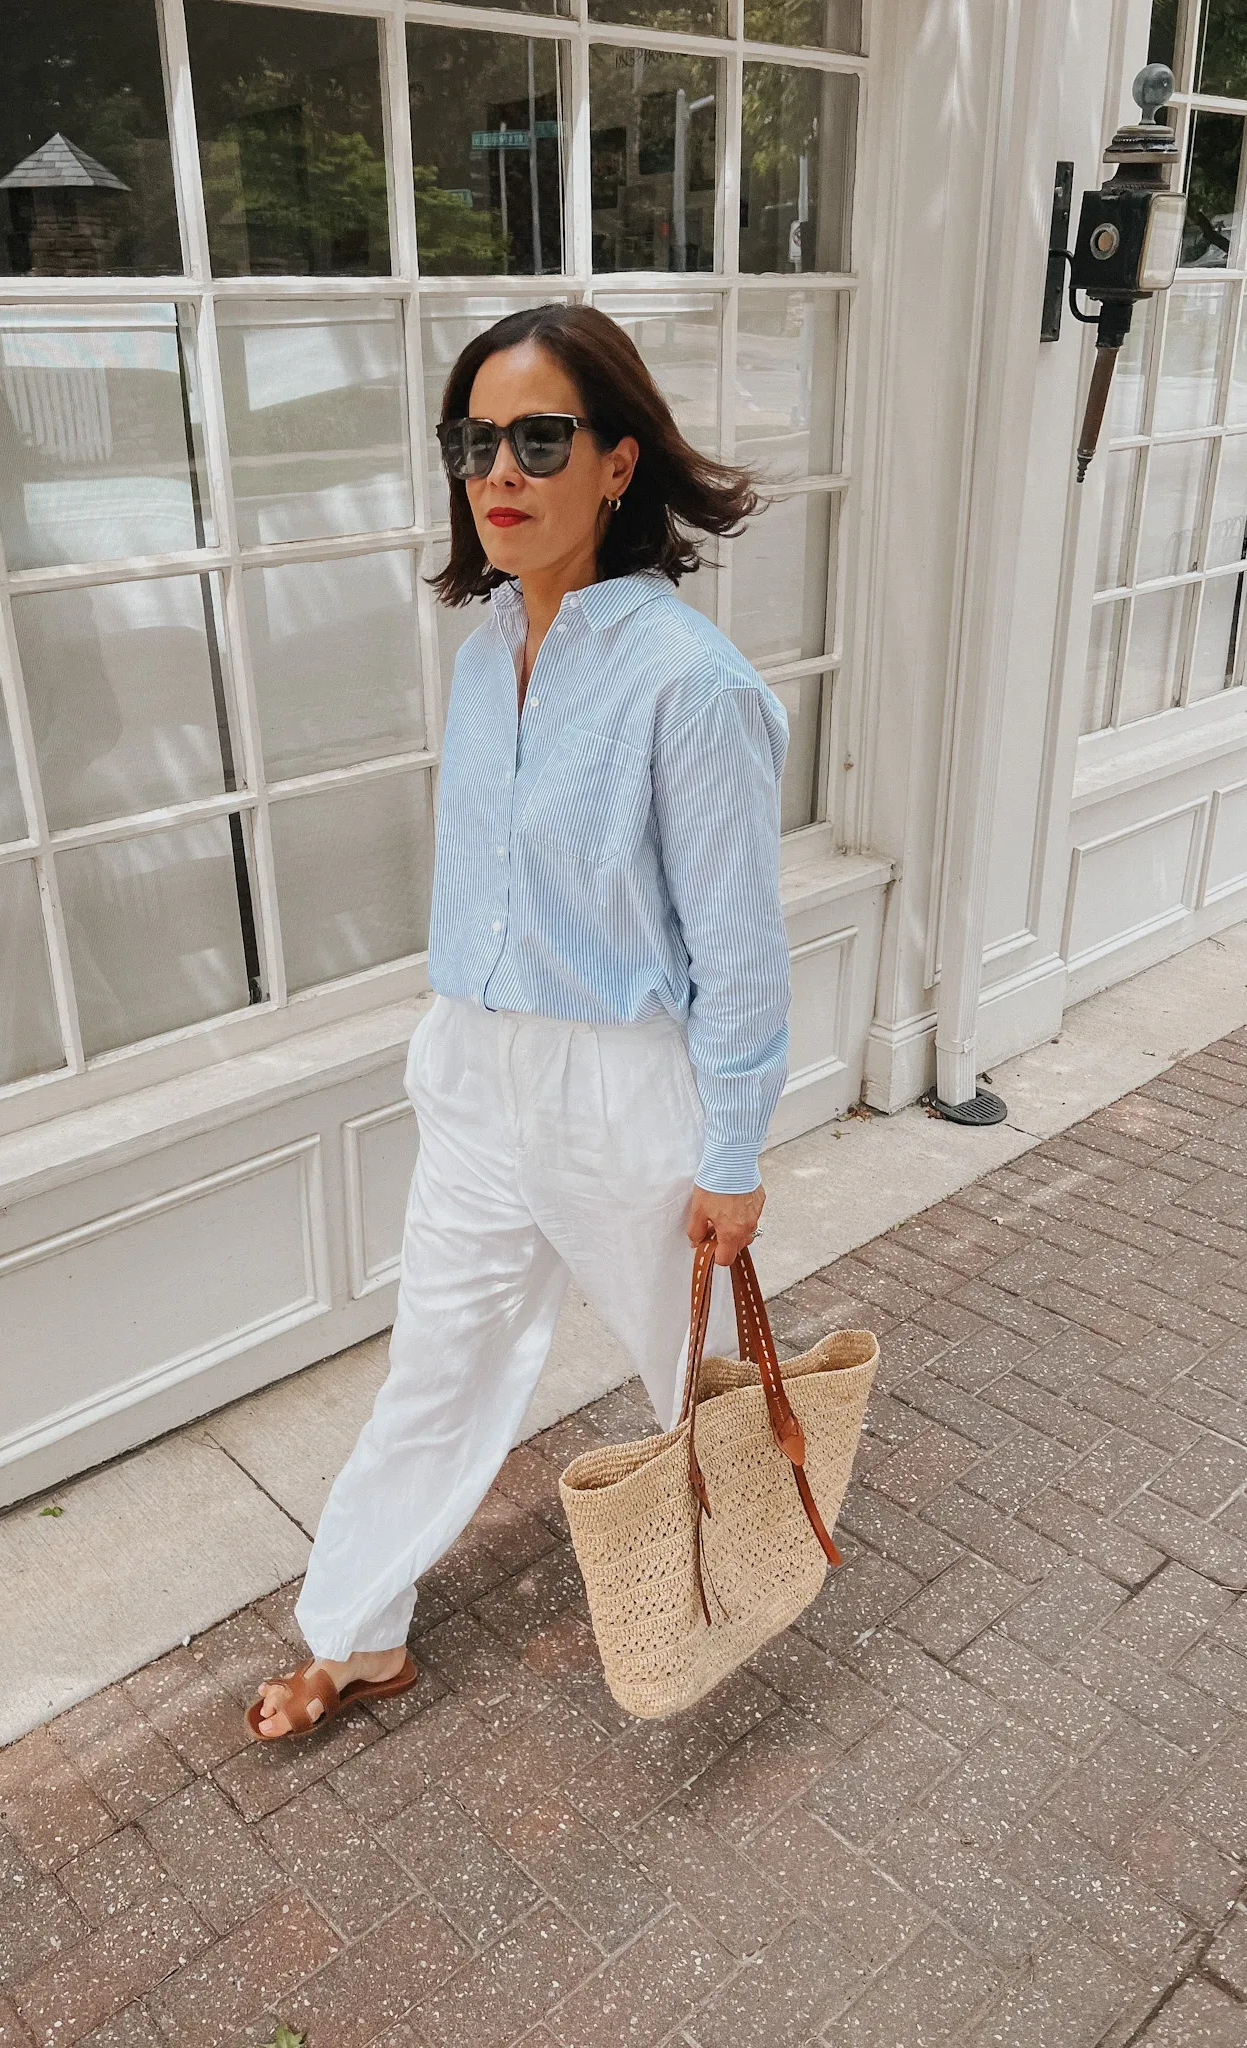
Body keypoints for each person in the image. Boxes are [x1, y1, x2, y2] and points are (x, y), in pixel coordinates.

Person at [249, 302, 790, 1738]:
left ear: (619, 464)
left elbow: (741, 956)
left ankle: (751, 1572)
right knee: (439, 1355)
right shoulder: (489, 648)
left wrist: (733, 1155)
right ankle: (356, 1628)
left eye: (538, 438)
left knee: (696, 1366)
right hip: (480, 1073)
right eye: (475, 439)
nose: (500, 469)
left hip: (622, 1091)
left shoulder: (694, 685)